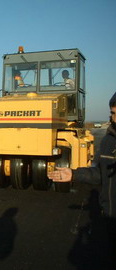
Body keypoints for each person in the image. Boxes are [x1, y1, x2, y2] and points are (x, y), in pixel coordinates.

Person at [48, 92, 116, 266]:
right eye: (114, 114)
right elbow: (101, 174)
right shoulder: (109, 142)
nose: (115, 118)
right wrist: (74, 174)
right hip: (110, 217)